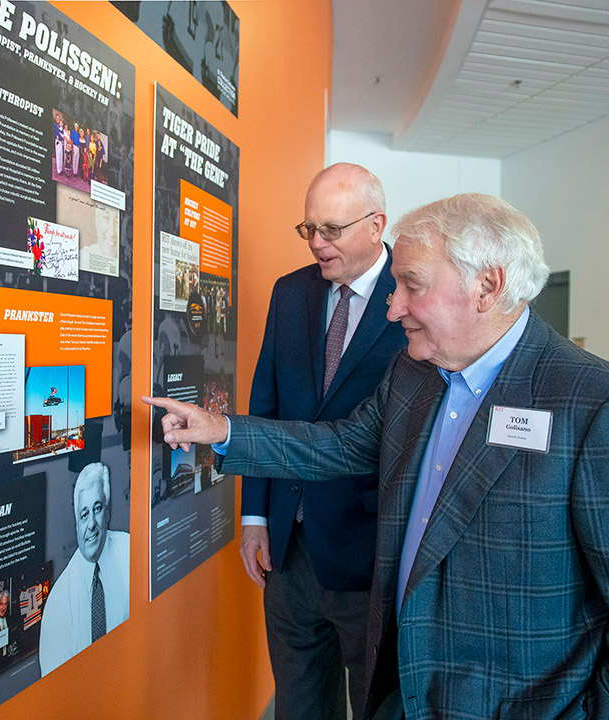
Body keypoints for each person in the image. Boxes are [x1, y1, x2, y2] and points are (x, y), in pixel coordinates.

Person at [145, 193, 609, 720]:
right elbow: (341, 445)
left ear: (487, 286)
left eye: (411, 285)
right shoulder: (414, 373)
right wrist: (222, 430)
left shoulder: (600, 410)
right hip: (402, 689)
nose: (392, 308)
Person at [239, 162, 406, 720]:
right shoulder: (291, 293)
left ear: (377, 224)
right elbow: (267, 408)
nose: (316, 243)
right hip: (289, 551)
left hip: (370, 554)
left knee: (375, 706)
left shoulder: (410, 299)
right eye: (308, 228)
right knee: (300, 704)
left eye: (331, 229)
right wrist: (255, 518)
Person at [38, 462, 129, 675]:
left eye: (97, 509)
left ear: (107, 512)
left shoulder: (131, 552)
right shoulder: (59, 603)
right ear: (76, 522)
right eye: (83, 514)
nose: (91, 525)